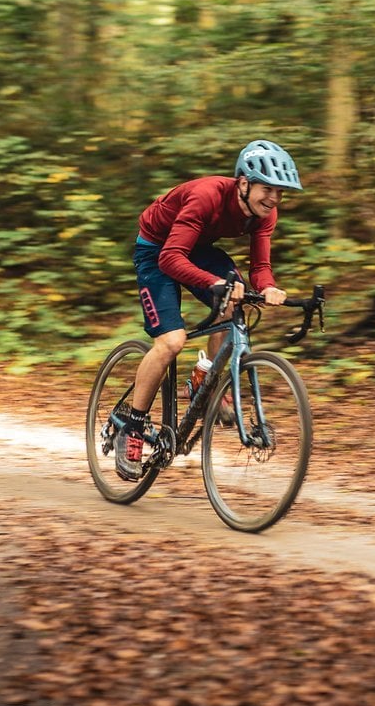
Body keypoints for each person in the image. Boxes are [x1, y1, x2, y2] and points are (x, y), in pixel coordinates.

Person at [113, 139, 303, 479]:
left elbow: (260, 266)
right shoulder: (206, 197)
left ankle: (204, 381)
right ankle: (133, 426)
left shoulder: (264, 213)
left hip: (198, 248)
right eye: (268, 189)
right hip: (157, 249)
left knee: (235, 303)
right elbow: (170, 258)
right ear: (244, 183)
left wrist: (269, 287)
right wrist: (214, 283)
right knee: (171, 342)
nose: (274, 199)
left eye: (280, 192)